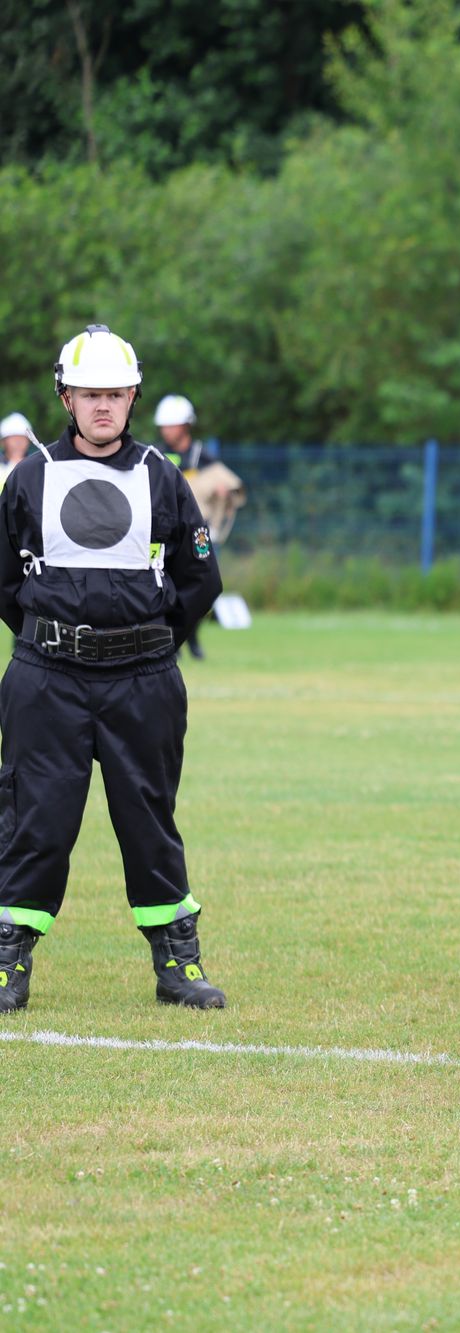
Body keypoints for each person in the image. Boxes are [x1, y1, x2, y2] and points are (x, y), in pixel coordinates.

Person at [0, 326, 223, 1012]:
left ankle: (177, 965)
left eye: (116, 394)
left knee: (147, 818)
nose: (104, 406)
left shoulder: (163, 475)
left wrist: (151, 642)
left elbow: (200, 577)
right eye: (90, 394)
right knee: (33, 819)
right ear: (66, 397)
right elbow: (6, 579)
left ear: (133, 398)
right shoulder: (29, 475)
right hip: (46, 678)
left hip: (144, 679)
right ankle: (9, 961)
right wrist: (53, 639)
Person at [152, 395, 241, 660]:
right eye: (164, 426)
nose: (167, 430)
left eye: (172, 425)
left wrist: (224, 491)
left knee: (200, 586)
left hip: (198, 533)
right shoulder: (154, 454)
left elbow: (230, 486)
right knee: (164, 586)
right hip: (164, 532)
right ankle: (171, 638)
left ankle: (192, 637)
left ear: (186, 425)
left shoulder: (202, 456)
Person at [0, 413, 35, 481]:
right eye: (14, 438)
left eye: (22, 438)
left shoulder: (37, 465)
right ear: (3, 442)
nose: (18, 442)